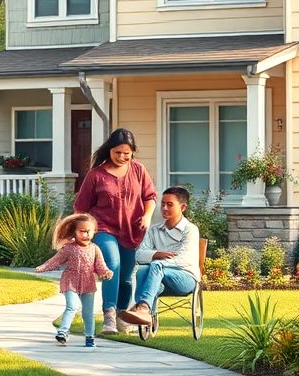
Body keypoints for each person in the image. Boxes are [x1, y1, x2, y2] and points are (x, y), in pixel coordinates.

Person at [73, 128, 157, 335]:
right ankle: (108, 315)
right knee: (113, 265)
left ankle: (121, 315)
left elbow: (150, 197)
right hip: (103, 228)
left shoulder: (138, 170)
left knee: (127, 277)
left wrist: (147, 216)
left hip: (131, 230)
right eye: (117, 152)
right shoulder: (96, 175)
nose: (121, 157)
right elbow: (80, 207)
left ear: (132, 152)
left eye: (126, 153)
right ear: (109, 151)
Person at [118, 186, 201, 327]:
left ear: (182, 207)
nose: (164, 208)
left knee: (155, 265)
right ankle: (143, 310)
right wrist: (157, 254)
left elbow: (184, 259)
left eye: (169, 204)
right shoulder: (154, 230)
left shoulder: (190, 230)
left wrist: (159, 261)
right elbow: (138, 255)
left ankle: (142, 308)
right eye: (162, 204)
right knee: (143, 270)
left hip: (186, 279)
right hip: (159, 279)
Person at [35, 213, 112, 348]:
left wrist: (105, 272)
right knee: (72, 306)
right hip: (70, 281)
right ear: (74, 232)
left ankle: (89, 337)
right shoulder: (68, 249)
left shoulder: (95, 249)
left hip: (88, 283)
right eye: (82, 231)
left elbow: (100, 265)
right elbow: (55, 260)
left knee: (88, 312)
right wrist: (43, 267)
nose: (86, 234)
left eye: (89, 231)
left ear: (94, 231)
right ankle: (63, 332)